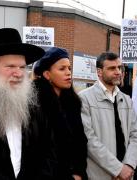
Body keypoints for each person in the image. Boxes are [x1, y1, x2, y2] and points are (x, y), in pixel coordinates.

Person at [0, 28, 58, 180]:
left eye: (22, 67)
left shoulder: (34, 104)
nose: (19, 73)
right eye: (10, 66)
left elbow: (48, 151)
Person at [79, 52, 137, 180]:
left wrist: (128, 166)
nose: (118, 72)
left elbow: (135, 135)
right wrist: (117, 169)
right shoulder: (84, 98)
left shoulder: (126, 100)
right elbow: (88, 140)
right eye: (112, 68)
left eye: (119, 67)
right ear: (99, 72)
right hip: (99, 175)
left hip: (126, 175)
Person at [33, 46, 88, 180]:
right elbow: (39, 152)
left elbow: (80, 142)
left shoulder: (73, 103)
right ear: (47, 74)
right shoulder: (35, 105)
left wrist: (78, 172)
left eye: (69, 68)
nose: (68, 73)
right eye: (62, 69)